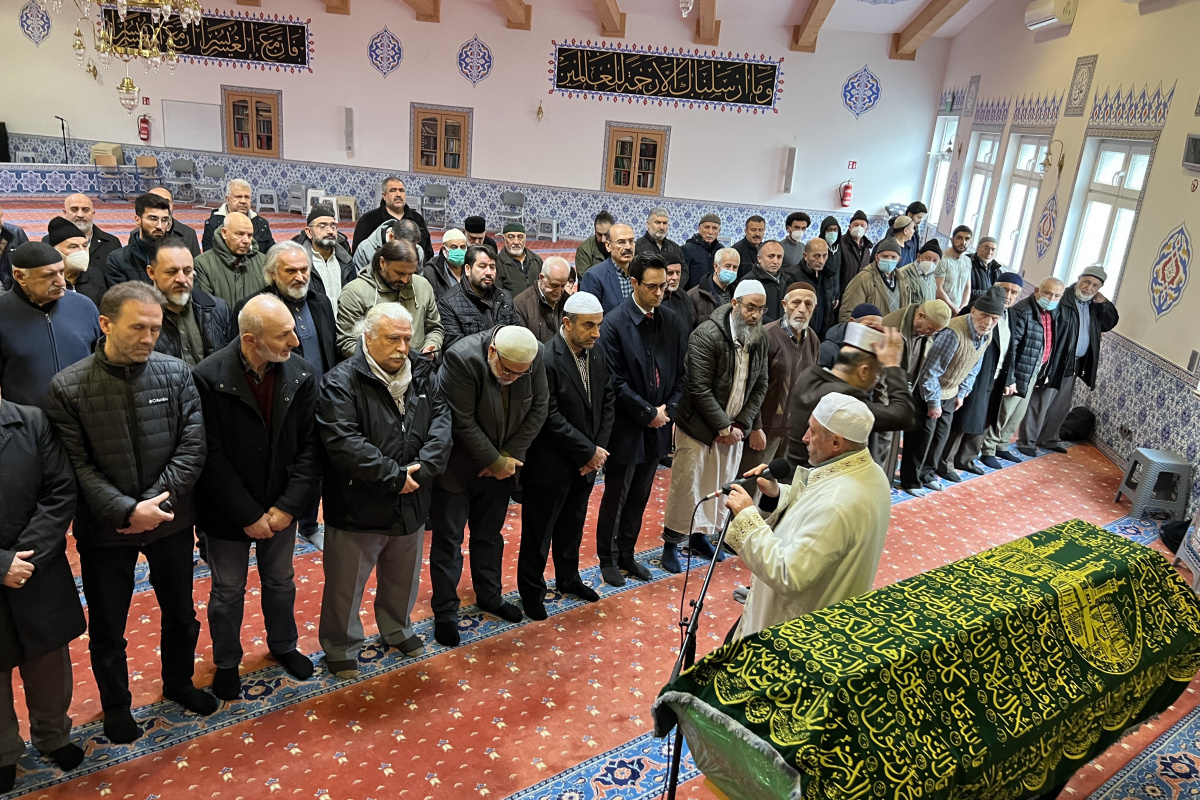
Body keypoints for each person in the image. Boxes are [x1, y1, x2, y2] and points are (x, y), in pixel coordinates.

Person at [46, 281, 214, 744]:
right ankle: (117, 707)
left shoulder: (177, 373)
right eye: (137, 327)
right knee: (108, 629)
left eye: (155, 329)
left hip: (170, 522)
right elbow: (75, 465)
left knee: (181, 614)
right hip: (106, 530)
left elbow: (192, 447)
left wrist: (154, 505)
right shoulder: (67, 387)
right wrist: (126, 510)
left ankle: (178, 683)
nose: (148, 338)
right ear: (105, 324)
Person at [192, 295, 318, 699]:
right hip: (226, 514)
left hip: (281, 508)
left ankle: (283, 645)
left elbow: (310, 449)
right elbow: (209, 456)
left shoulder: (300, 374)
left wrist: (286, 508)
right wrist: (248, 513)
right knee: (226, 592)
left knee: (281, 581)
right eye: (284, 336)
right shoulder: (208, 377)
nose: (296, 342)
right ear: (250, 340)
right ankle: (227, 662)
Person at [317, 303, 451, 676]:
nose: (402, 347)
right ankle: (341, 645)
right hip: (359, 504)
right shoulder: (340, 381)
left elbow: (442, 422)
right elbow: (345, 443)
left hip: (413, 495)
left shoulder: (424, 374)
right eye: (393, 339)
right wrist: (394, 477)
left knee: (403, 576)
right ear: (368, 338)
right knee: (346, 585)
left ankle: (397, 627)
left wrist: (425, 469)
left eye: (408, 338)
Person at [724, 392, 891, 637]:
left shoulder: (839, 502)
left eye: (812, 431)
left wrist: (747, 517)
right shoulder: (869, 472)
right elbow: (813, 506)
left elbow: (787, 574)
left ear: (836, 442)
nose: (805, 438)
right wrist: (775, 494)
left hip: (796, 626)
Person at [430, 326, 548, 646]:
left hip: (502, 470)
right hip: (456, 468)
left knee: (489, 537)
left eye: (521, 373)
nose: (513, 377)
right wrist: (495, 461)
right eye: (508, 371)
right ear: (493, 352)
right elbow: (461, 421)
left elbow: (538, 409)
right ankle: (445, 612)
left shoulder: (531, 355)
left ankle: (490, 596)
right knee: (449, 543)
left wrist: (507, 459)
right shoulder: (462, 358)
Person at [0, 381, 87, 794]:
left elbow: (59, 491)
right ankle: (2, 752)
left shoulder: (31, 421)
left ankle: (53, 735)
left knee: (48, 660)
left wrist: (23, 559)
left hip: (37, 568)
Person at [661, 281, 770, 573]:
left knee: (717, 487)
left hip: (733, 431)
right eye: (750, 307)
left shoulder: (759, 337)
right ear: (735, 304)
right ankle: (671, 544)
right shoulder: (707, 335)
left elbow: (760, 384)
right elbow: (698, 387)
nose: (755, 315)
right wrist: (723, 427)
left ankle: (700, 537)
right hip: (698, 429)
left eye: (761, 309)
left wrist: (741, 424)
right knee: (688, 487)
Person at [518, 292, 614, 619]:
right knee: (538, 533)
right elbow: (548, 416)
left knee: (572, 526)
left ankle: (568, 578)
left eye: (599, 325)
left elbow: (607, 402)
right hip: (551, 464)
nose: (596, 333)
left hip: (586, 463)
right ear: (567, 323)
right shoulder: (545, 358)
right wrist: (587, 451)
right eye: (589, 326)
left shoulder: (596, 353)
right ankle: (531, 592)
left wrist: (596, 451)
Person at [595, 253, 687, 586]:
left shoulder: (672, 320)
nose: (659, 292)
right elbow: (614, 381)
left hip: (659, 425)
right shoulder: (614, 323)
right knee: (617, 495)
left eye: (664, 285)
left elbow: (681, 373)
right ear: (633, 283)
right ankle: (606, 558)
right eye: (652, 286)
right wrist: (649, 413)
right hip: (626, 426)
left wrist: (668, 411)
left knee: (640, 495)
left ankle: (627, 553)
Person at [899, 285, 1003, 496]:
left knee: (939, 439)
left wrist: (962, 393)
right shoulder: (952, 333)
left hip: (951, 392)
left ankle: (927, 475)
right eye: (984, 315)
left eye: (994, 318)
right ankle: (910, 480)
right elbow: (930, 372)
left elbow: (974, 366)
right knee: (921, 438)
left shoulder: (987, 335)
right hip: (928, 391)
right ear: (973, 311)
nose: (988, 322)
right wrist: (933, 403)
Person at [1019, 265, 1119, 454]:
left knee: (1061, 404)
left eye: (1095, 285)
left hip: (1075, 362)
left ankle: (1049, 439)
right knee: (1041, 401)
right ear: (1079, 278)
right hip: (1054, 359)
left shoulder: (1094, 306)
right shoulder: (1062, 297)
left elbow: (1110, 322)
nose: (1089, 287)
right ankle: (1027, 441)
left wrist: (1104, 303)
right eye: (1087, 282)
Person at [786, 323, 912, 467]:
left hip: (791, 475)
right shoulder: (845, 401)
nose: (876, 381)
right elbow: (904, 415)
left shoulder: (809, 376)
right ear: (863, 372)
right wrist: (892, 365)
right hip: (819, 484)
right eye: (878, 375)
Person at [0, 243, 100, 411]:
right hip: (29, 427)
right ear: (20, 276)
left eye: (61, 272)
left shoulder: (85, 307)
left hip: (84, 417)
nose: (61, 282)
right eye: (49, 275)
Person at [942, 273, 1023, 477]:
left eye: (1014, 292)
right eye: (1005, 289)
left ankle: (966, 459)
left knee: (982, 419)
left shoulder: (1011, 315)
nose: (1008, 295)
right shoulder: (975, 308)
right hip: (972, 375)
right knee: (962, 419)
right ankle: (945, 462)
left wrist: (1009, 377)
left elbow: (1010, 348)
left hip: (995, 376)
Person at [739, 282, 820, 479]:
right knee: (749, 485)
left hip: (795, 433)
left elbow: (812, 387)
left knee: (779, 491)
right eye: (796, 303)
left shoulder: (813, 340)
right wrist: (756, 427)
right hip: (765, 430)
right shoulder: (766, 335)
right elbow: (750, 386)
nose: (802, 309)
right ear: (784, 304)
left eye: (808, 304)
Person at [983, 277, 1062, 467]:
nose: (1052, 298)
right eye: (1048, 293)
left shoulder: (1050, 313)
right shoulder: (1023, 311)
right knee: (1003, 413)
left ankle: (1002, 445)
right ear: (1037, 291)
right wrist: (1010, 378)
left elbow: (1047, 344)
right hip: (1018, 372)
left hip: (1032, 371)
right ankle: (988, 449)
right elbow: (1013, 348)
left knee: (1017, 414)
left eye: (1057, 295)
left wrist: (1044, 371)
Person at [242, 241, 338, 388]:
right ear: (273, 274)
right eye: (291, 271)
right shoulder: (254, 309)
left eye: (304, 270)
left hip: (323, 395)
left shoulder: (321, 302)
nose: (300, 277)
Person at [336, 238, 443, 360]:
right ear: (382, 263)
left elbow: (435, 328)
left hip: (418, 369)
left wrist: (430, 349)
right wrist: (387, 360)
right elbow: (346, 343)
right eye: (400, 273)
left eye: (410, 274)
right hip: (373, 372)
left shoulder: (422, 286)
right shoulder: (355, 292)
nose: (405, 280)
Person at [145, 238, 231, 367]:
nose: (181, 279)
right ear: (151, 272)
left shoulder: (217, 308)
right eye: (171, 272)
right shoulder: (139, 316)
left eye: (187, 271)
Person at [438, 244, 521, 350]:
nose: (489, 273)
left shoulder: (504, 297)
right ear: (468, 269)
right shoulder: (448, 303)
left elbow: (518, 334)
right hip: (470, 364)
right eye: (482, 266)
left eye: (492, 267)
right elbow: (456, 347)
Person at [195, 211, 267, 311]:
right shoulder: (203, 264)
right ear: (224, 233)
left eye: (250, 235)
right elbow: (207, 309)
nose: (246, 241)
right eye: (240, 234)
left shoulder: (264, 262)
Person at [351, 176, 432, 258]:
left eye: (401, 190)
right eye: (393, 190)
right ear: (384, 195)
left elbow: (428, 252)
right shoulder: (368, 220)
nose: (398, 194)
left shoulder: (417, 219)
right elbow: (358, 255)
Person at [105, 192, 173, 286]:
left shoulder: (178, 256)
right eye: (153, 219)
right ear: (138, 220)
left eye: (165, 220)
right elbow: (121, 298)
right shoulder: (118, 260)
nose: (159, 226)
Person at [880, 299, 953, 386]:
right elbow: (880, 374)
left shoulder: (925, 332)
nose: (932, 334)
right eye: (931, 329)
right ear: (920, 316)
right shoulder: (890, 329)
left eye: (937, 332)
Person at [297, 205, 354, 313]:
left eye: (333, 227)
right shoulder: (301, 265)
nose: (330, 231)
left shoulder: (346, 262)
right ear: (309, 232)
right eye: (322, 226)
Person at [63, 193, 118, 299]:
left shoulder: (111, 243)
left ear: (93, 213)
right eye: (74, 209)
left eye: (85, 210)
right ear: (65, 213)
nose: (80, 215)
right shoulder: (50, 242)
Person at [202, 179, 275, 255]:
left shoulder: (262, 224)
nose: (243, 201)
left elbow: (271, 254)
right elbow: (209, 257)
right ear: (228, 199)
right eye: (238, 196)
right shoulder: (213, 224)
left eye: (247, 197)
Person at [42, 216, 104, 305]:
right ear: (56, 251)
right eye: (73, 247)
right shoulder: (46, 281)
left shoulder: (95, 276)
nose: (82, 251)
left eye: (85, 246)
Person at [839, 237, 903, 322]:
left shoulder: (904, 280)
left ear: (899, 260)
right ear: (877, 257)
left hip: (893, 334)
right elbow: (848, 314)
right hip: (870, 333)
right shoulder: (863, 280)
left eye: (893, 257)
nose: (889, 260)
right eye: (885, 256)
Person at [579, 223, 637, 313]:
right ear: (608, 246)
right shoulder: (594, 276)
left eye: (631, 241)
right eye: (621, 242)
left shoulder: (641, 272)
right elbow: (589, 317)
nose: (628, 247)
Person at [514, 256, 571, 343]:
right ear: (541, 278)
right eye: (554, 285)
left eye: (563, 285)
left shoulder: (568, 302)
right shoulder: (521, 305)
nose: (559, 291)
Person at [790, 237, 838, 338]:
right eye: (816, 256)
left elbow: (829, 311)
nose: (821, 261)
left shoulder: (828, 276)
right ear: (805, 256)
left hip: (822, 335)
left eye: (824, 256)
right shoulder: (793, 276)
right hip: (799, 335)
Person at [735, 239, 788, 323]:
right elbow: (747, 311)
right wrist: (775, 326)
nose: (775, 261)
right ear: (759, 258)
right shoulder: (749, 281)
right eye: (771, 256)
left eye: (779, 257)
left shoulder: (786, 279)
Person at [819, 303, 883, 369]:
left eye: (877, 328)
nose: (873, 332)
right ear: (852, 322)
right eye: (869, 326)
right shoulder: (828, 350)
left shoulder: (873, 352)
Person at [635, 207, 686, 287]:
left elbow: (684, 271)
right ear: (648, 224)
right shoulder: (637, 246)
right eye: (658, 222)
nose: (661, 227)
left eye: (665, 223)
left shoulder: (675, 248)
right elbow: (635, 273)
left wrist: (674, 287)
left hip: (672, 295)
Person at [688, 247, 739, 325]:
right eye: (727, 266)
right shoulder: (694, 295)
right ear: (716, 266)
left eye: (735, 267)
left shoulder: (738, 294)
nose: (731, 270)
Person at [147, 187, 201, 256]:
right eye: (155, 202)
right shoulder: (138, 235)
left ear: (173, 204)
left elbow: (194, 264)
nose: (162, 206)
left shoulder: (188, 233)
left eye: (166, 201)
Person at [935, 225, 974, 315]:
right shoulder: (942, 259)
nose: (963, 242)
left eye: (967, 239)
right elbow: (938, 290)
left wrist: (963, 308)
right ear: (952, 240)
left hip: (958, 310)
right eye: (959, 238)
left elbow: (967, 287)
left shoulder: (967, 261)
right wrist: (954, 309)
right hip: (941, 310)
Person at [681, 214, 722, 291]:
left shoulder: (721, 251)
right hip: (692, 296)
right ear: (699, 228)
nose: (710, 232)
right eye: (707, 227)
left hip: (715, 298)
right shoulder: (687, 249)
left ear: (719, 231)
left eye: (714, 228)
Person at [837, 211, 874, 296]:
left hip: (861, 292)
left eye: (862, 226)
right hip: (843, 293)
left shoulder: (867, 248)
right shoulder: (840, 244)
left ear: (866, 229)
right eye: (856, 225)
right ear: (850, 227)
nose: (859, 228)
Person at [425, 228, 469, 298]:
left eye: (462, 247)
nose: (459, 251)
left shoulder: (471, 267)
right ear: (444, 250)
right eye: (454, 247)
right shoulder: (432, 271)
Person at [896, 239, 941, 307]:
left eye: (935, 260)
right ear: (918, 256)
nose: (931, 262)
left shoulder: (931, 276)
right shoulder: (904, 274)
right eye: (928, 258)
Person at [0, 204, 30, 292]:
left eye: (1, 216)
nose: (1, 223)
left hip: (15, 288)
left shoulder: (16, 233)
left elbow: (30, 262)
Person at [662, 259, 696, 334]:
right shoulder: (655, 298)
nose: (675, 277)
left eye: (678, 273)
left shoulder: (684, 296)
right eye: (670, 273)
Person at [574, 211, 613, 275]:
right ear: (595, 232)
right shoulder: (584, 249)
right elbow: (585, 278)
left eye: (606, 234)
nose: (603, 240)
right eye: (599, 235)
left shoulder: (620, 245)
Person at [968, 236, 1001, 304]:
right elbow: (961, 290)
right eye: (986, 248)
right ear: (978, 248)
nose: (989, 252)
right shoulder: (967, 263)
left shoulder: (996, 269)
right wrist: (989, 294)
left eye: (993, 249)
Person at [899, 202, 929, 267]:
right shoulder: (897, 229)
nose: (920, 221)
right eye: (918, 217)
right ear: (909, 214)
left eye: (921, 218)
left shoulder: (914, 229)